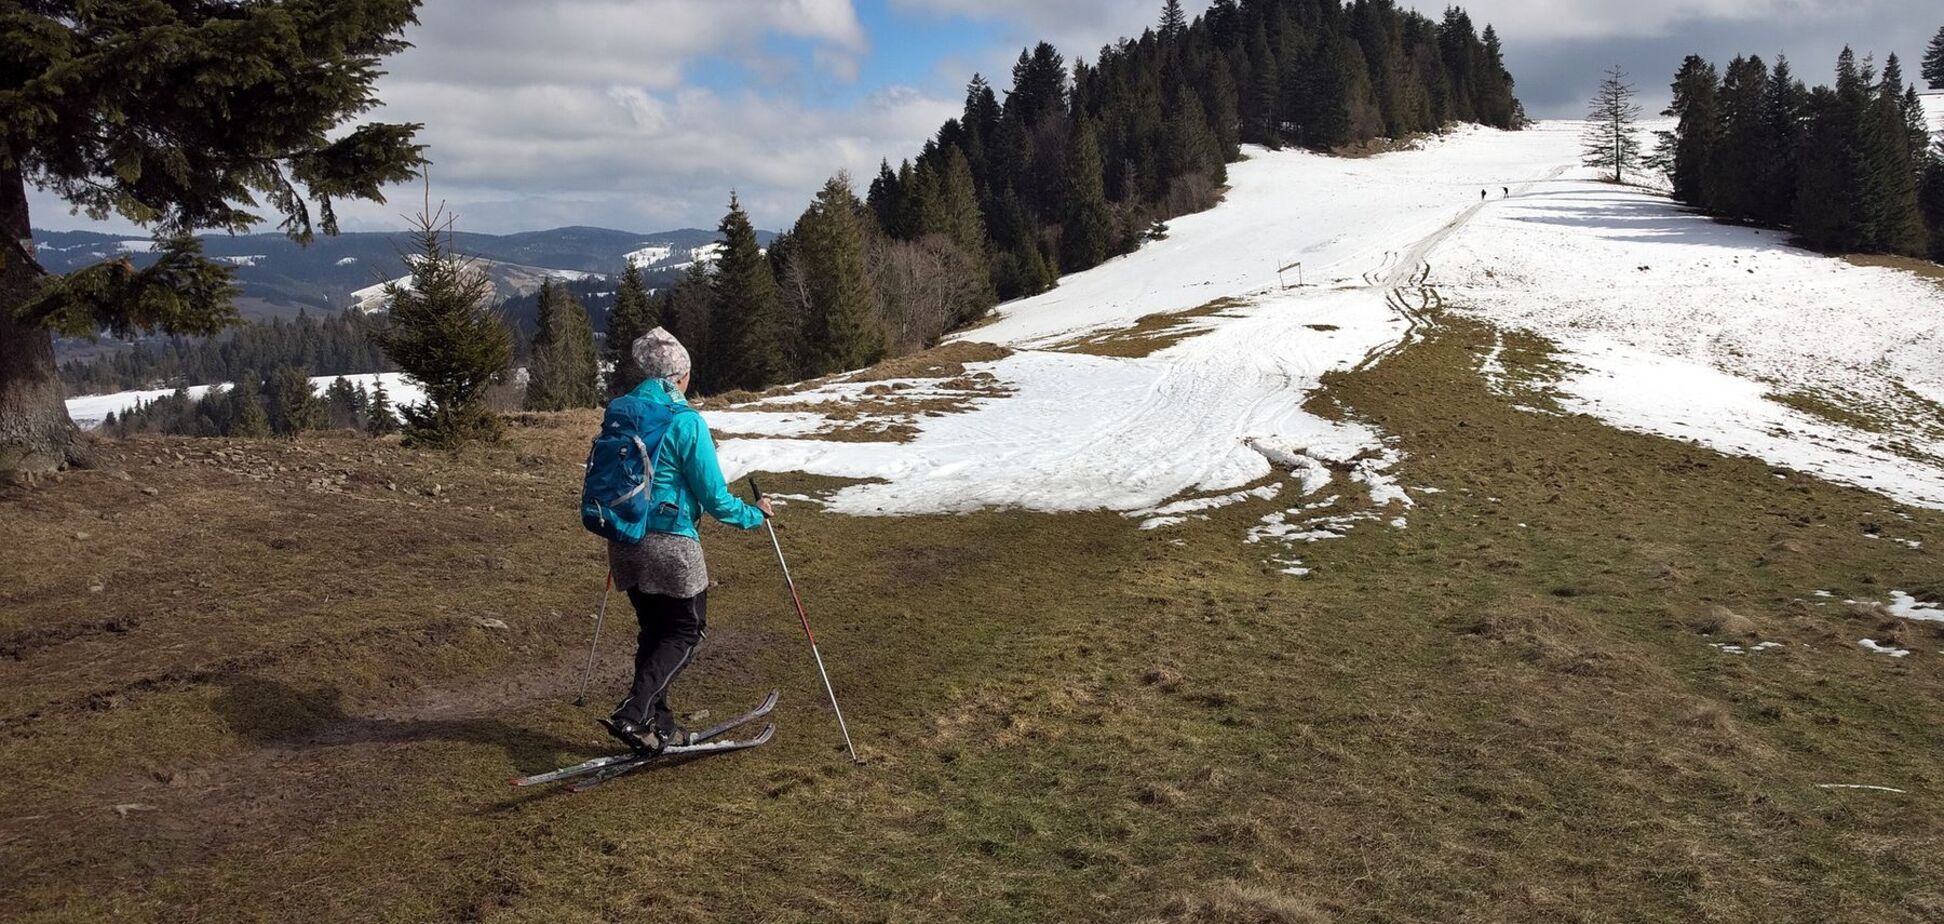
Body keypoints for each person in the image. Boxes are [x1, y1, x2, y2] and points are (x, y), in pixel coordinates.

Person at [601, 328, 772, 753]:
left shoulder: (620, 412)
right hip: (672, 544)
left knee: (655, 632)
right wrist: (755, 514)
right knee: (685, 631)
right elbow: (714, 497)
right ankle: (633, 714)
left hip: (624, 538)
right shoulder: (686, 421)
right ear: (681, 376)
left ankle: (658, 725)